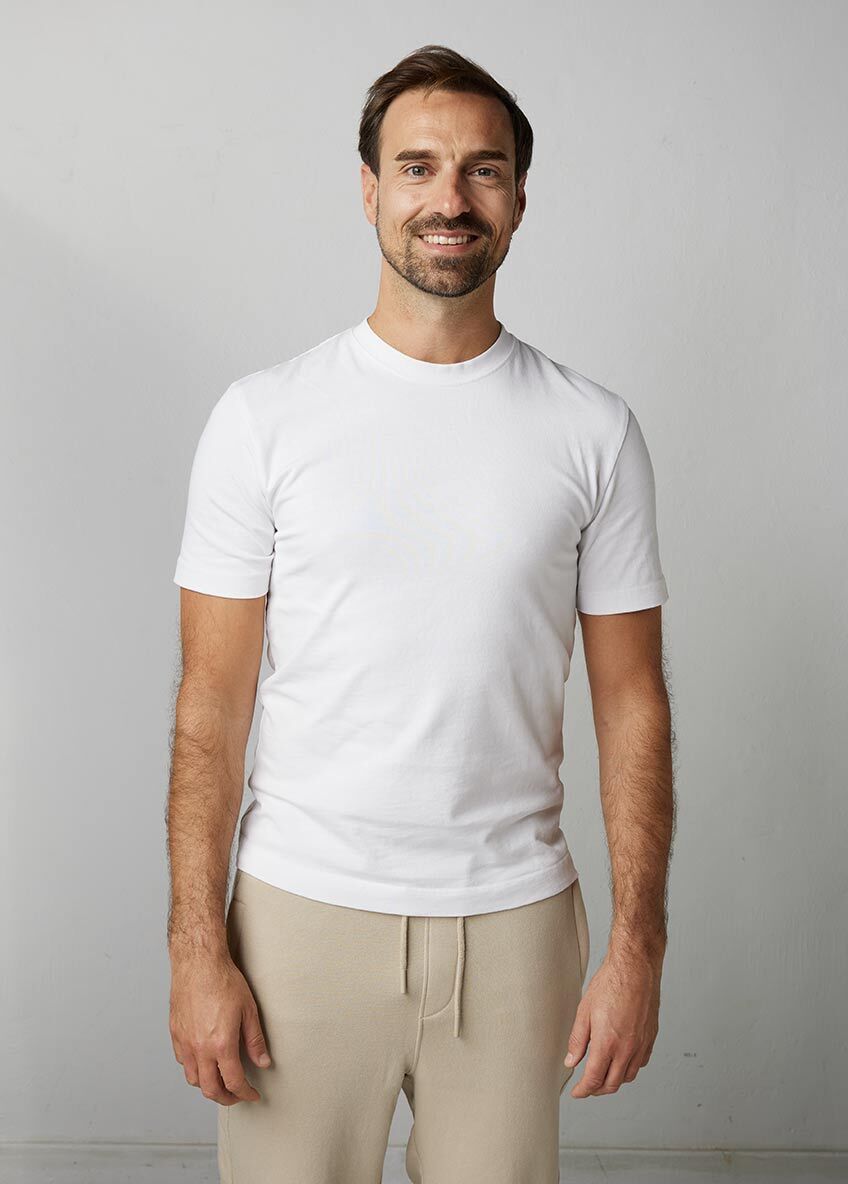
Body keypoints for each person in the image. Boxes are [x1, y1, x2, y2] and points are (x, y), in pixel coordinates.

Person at [166, 43, 674, 1184]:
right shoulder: (263, 421)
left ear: (519, 199)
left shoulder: (593, 432)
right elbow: (212, 704)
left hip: (514, 925)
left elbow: (631, 704)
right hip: (298, 919)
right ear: (369, 190)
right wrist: (197, 946)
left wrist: (638, 945)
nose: (450, 198)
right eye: (417, 166)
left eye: (482, 170)